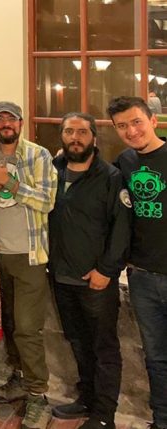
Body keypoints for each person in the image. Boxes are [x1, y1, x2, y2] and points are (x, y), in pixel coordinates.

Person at [0, 101, 57, 429]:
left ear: (21, 122)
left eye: (11, 118)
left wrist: (7, 182)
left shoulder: (38, 155)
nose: (5, 124)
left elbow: (46, 201)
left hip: (29, 256)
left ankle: (38, 395)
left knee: (27, 327)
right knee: (9, 323)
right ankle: (19, 378)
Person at [49, 112, 130, 429]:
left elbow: (121, 229)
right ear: (62, 136)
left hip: (95, 280)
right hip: (61, 277)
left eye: (82, 132)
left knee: (103, 348)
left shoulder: (110, 177)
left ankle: (104, 415)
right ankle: (86, 398)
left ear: (94, 138)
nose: (75, 138)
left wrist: (106, 270)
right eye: (69, 131)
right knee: (78, 342)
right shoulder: (52, 170)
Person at [109, 96, 167, 429]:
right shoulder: (125, 161)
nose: (131, 131)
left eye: (136, 122)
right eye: (122, 126)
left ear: (153, 120)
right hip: (143, 276)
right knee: (156, 358)